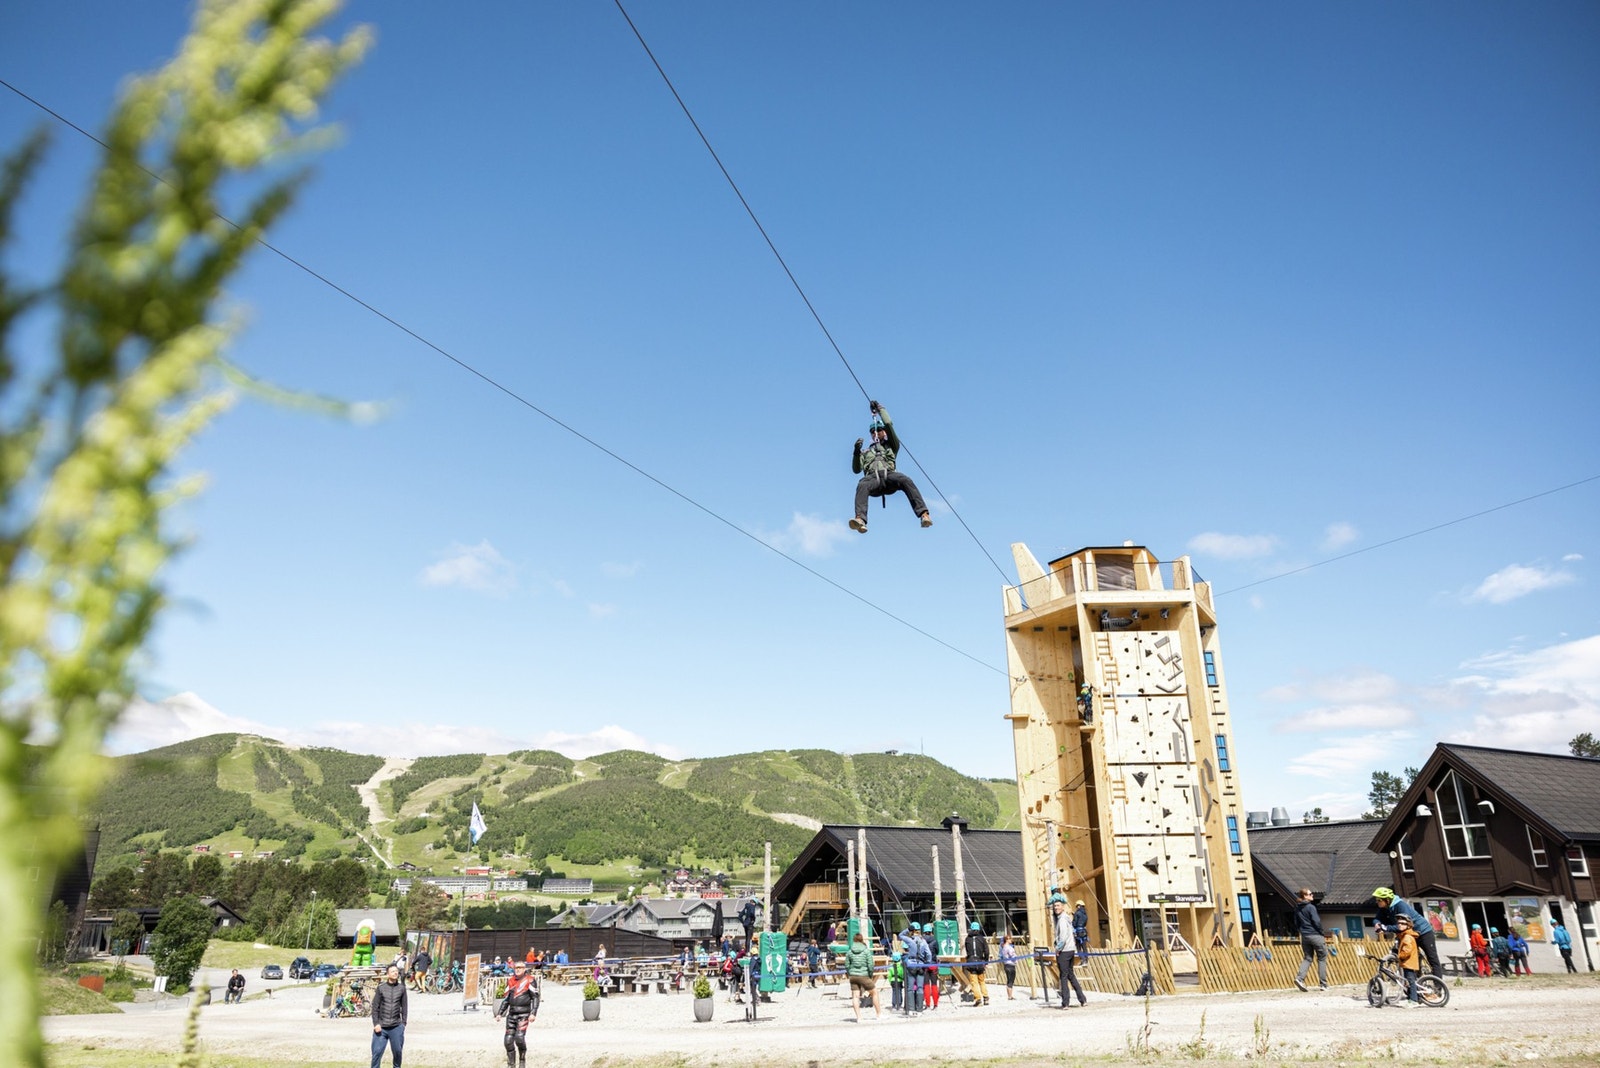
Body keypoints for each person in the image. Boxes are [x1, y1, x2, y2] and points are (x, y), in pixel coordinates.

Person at [848, 401, 931, 534]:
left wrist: (880, 410)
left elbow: (888, 424)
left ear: (884, 432)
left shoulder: (892, 445)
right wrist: (856, 452)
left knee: (906, 480)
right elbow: (856, 469)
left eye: (879, 431)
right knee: (862, 484)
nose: (876, 433)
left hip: (889, 476)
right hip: (873, 479)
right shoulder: (866, 452)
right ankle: (860, 519)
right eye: (873, 432)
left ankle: (924, 514)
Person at [1373, 888, 1442, 977]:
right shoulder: (1384, 908)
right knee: (1407, 956)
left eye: (1379, 900)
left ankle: (1438, 987)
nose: (1377, 902)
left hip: (1423, 931)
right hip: (1408, 934)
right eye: (1376, 900)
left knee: (1432, 958)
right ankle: (1415, 981)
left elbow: (1404, 925)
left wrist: (1386, 928)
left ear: (1387, 900)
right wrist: (1377, 924)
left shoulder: (1401, 906)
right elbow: (1377, 919)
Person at [495, 959, 539, 1068]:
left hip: (524, 1014)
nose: (518, 970)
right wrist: (500, 1013)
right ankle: (511, 1064)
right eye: (516, 968)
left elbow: (535, 998)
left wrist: (533, 1013)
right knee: (508, 1040)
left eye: (520, 968)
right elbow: (506, 999)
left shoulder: (530, 980)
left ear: (524, 969)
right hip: (511, 1014)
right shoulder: (510, 981)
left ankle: (522, 1061)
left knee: (519, 1038)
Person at [369, 964, 408, 1068]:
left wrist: (403, 1024)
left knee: (398, 1053)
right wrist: (376, 1023)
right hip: (381, 1028)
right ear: (388, 974)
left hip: (396, 1026)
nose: (395, 973)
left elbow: (404, 1007)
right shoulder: (381, 988)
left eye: (396, 971)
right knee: (376, 1053)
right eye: (393, 971)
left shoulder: (402, 988)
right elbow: (375, 1008)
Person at [1291, 887, 1329, 993]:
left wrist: (1302, 931)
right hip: (1315, 935)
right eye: (1310, 894)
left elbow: (1296, 922)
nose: (1312, 895)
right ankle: (1323, 984)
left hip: (1305, 936)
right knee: (1321, 959)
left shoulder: (1297, 908)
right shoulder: (1311, 907)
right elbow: (1316, 921)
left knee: (1307, 958)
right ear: (1305, 896)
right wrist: (1321, 932)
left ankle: (1299, 978)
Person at [1052, 899, 1086, 1008]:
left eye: (1058, 905)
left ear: (1062, 907)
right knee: (1071, 974)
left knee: (1064, 976)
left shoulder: (1062, 920)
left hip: (1065, 950)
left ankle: (1065, 1002)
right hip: (1071, 949)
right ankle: (1082, 999)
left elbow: (1063, 936)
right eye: (1055, 906)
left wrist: (1058, 948)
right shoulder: (1068, 918)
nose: (1056, 907)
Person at [845, 930, 880, 1021]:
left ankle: (859, 1017)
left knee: (855, 996)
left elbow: (847, 965)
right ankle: (878, 1014)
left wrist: (850, 973)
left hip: (853, 976)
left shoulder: (849, 952)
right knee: (874, 993)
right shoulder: (866, 951)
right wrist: (870, 974)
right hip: (864, 975)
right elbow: (870, 965)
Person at [1394, 918, 1422, 1007]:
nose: (1400, 925)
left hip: (1409, 962)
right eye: (1398, 923)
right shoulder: (1404, 935)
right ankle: (1412, 998)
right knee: (1409, 981)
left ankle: (1414, 1000)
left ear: (1408, 926)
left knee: (1411, 981)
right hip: (1408, 962)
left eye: (1403, 923)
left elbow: (1407, 950)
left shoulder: (1407, 936)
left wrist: (1399, 956)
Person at [965, 921, 991, 1006]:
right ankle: (986, 997)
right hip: (980, 961)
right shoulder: (982, 939)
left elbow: (967, 950)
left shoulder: (967, 939)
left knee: (974, 982)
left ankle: (978, 999)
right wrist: (986, 961)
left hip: (971, 962)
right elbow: (986, 951)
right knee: (982, 981)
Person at [999, 935, 1019, 1000]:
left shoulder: (1003, 947)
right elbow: (1012, 955)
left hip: (1006, 965)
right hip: (1011, 965)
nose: (1011, 940)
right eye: (1010, 939)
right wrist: (1015, 960)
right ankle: (1010, 996)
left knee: (1009, 980)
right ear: (1007, 940)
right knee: (1011, 981)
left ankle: (1010, 995)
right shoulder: (1009, 947)